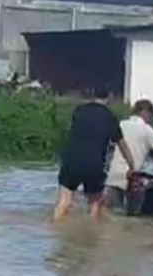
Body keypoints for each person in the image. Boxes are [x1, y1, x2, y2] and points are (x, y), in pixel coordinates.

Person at [54, 88, 135, 221]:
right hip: (94, 164)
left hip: (71, 161)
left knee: (65, 202)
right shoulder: (109, 117)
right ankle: (92, 234)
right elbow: (122, 145)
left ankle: (56, 230)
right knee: (94, 204)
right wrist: (132, 165)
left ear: (92, 95)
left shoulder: (79, 111)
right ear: (110, 96)